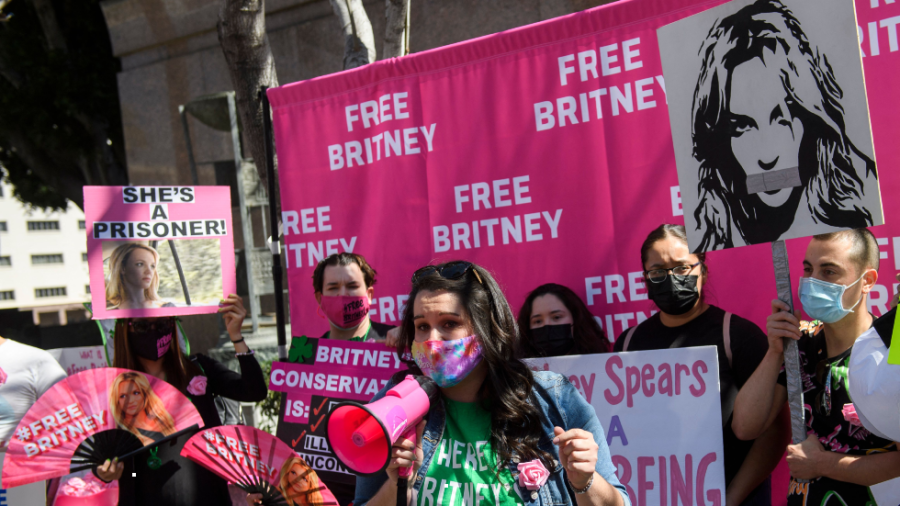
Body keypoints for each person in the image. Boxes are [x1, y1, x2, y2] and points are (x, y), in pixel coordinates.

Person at [355, 261, 629, 506]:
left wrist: (585, 480)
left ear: (486, 327)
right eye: (422, 326)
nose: (432, 340)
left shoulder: (554, 398)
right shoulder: (393, 404)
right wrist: (397, 486)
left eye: (450, 323)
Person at [615, 224, 787, 506]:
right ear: (645, 278)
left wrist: (731, 499)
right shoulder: (628, 343)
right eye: (657, 270)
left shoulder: (739, 335)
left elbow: (773, 433)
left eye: (682, 267)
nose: (671, 278)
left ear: (703, 271)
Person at [690, 0, 877, 251]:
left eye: (782, 119)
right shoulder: (714, 229)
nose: (768, 157)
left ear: (812, 116)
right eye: (742, 127)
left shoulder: (860, 190)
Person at [733, 229, 900, 505]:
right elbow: (745, 427)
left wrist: (823, 463)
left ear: (867, 280)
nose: (812, 282)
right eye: (808, 269)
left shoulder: (888, 350)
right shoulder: (798, 342)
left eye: (829, 272)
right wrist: (775, 351)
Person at [96, 294, 268, 506]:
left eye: (162, 322)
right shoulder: (115, 391)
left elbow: (255, 391)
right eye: (141, 326)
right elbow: (103, 456)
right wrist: (105, 472)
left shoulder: (199, 369)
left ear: (173, 324)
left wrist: (236, 336)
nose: (153, 331)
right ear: (124, 331)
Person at [313, 253, 394, 343]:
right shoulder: (309, 354)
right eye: (333, 288)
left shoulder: (399, 342)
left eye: (352, 286)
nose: (343, 294)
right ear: (319, 299)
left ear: (369, 295)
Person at [517, 283, 610, 358]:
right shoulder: (518, 374)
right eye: (538, 321)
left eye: (556, 317)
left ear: (576, 319)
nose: (547, 325)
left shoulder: (600, 364)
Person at [109, 371, 177, 445]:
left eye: (135, 393)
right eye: (123, 396)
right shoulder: (121, 437)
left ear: (145, 394)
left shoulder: (164, 420)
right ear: (117, 401)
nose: (130, 401)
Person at [106, 243, 173, 310]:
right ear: (122, 268)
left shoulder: (167, 307)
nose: (149, 272)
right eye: (140, 264)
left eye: (152, 266)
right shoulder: (106, 308)